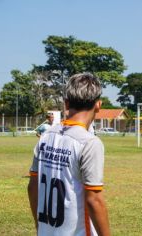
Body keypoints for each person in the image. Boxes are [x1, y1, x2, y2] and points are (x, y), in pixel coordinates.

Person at [27, 73, 110, 236]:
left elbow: (32, 187)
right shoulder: (89, 143)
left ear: (66, 103)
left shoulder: (46, 136)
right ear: (98, 105)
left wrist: (40, 228)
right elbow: (94, 200)